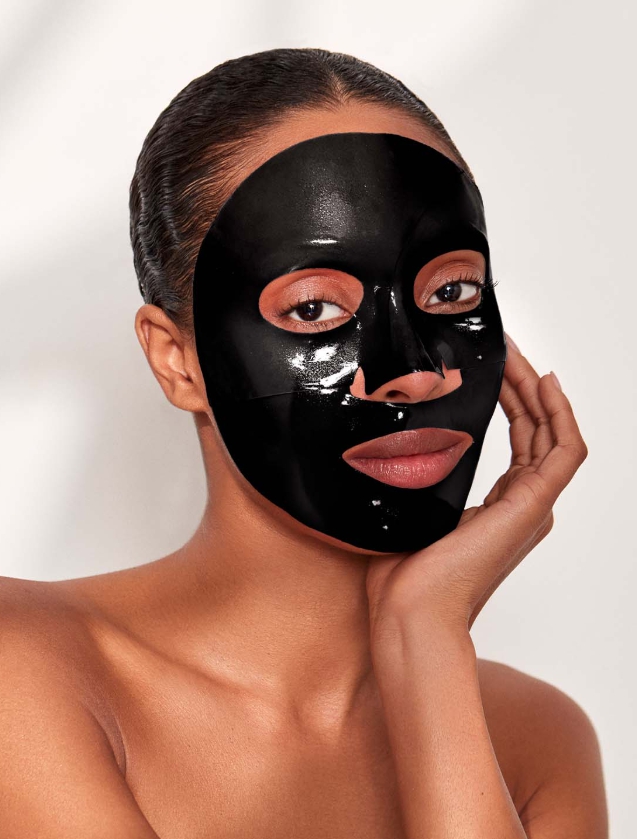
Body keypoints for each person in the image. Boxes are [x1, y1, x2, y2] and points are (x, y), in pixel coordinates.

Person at [0, 48, 608, 838]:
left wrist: (425, 639)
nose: (413, 373)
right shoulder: (24, 661)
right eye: (314, 308)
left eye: (450, 291)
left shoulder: (535, 738)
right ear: (177, 360)